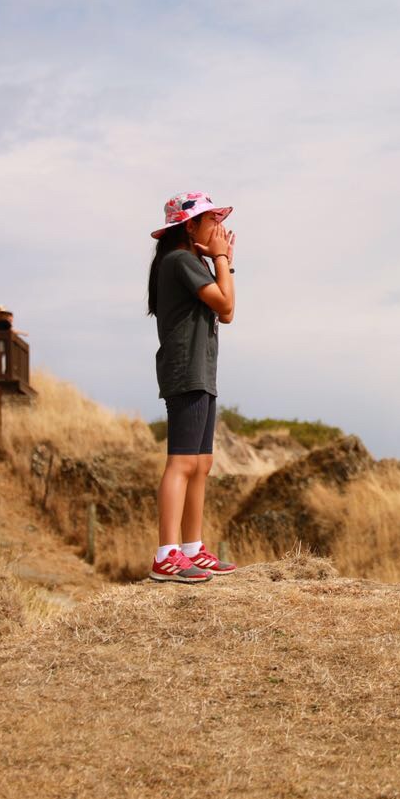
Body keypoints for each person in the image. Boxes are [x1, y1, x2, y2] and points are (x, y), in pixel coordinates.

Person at [145, 190, 240, 584]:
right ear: (189, 227)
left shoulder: (189, 261)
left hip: (200, 369)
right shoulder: (181, 260)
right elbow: (227, 307)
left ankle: (191, 549)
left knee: (202, 463)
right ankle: (166, 554)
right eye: (210, 220)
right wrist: (222, 260)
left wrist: (221, 263)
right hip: (186, 369)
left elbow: (225, 308)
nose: (218, 227)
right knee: (182, 463)